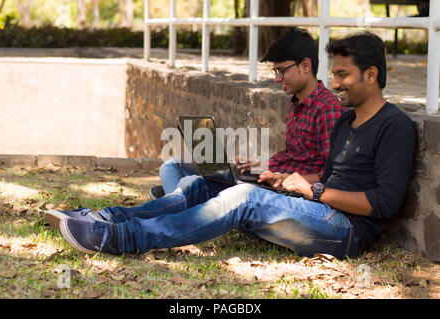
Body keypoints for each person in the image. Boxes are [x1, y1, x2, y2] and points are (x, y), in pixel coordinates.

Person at [48, 31, 417, 260]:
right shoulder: (347, 122)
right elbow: (326, 180)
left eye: (343, 75)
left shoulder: (395, 126)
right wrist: (283, 181)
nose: (334, 83)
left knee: (241, 197)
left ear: (371, 75)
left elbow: (382, 204)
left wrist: (312, 189)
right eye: (334, 73)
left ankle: (117, 238)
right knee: (201, 183)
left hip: (346, 232)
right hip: (315, 208)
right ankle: (109, 216)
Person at [149, 27, 345, 199]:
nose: (277, 79)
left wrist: (283, 178)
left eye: (281, 70)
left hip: (282, 188)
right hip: (268, 175)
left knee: (189, 182)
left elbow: (330, 174)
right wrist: (259, 164)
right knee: (172, 166)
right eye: (274, 72)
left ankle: (175, 200)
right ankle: (179, 199)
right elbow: (295, 156)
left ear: (305, 65)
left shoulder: (326, 108)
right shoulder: (297, 103)